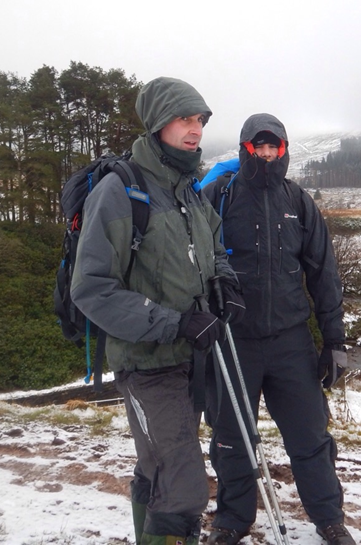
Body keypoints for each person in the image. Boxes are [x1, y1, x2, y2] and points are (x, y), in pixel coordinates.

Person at [71, 76, 239, 545]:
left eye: (200, 120)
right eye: (184, 119)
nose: (195, 129)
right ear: (158, 123)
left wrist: (225, 282)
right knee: (183, 486)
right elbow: (92, 288)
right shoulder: (120, 190)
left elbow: (214, 248)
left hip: (190, 360)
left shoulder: (188, 190)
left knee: (158, 467)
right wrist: (176, 323)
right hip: (147, 363)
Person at [202, 113, 355, 545]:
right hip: (233, 341)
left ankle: (329, 518)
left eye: (275, 146)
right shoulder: (218, 197)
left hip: (291, 341)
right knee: (232, 439)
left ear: (283, 150)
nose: (267, 154)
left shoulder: (298, 201)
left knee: (310, 437)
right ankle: (233, 520)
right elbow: (193, 262)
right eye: (260, 146)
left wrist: (334, 340)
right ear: (245, 148)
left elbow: (323, 273)